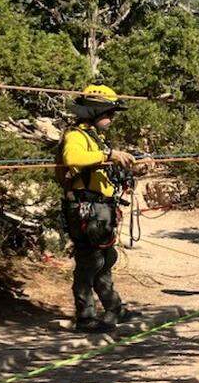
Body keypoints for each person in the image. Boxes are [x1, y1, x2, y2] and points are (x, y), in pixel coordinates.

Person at [58, 84, 140, 333]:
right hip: (85, 207)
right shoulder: (76, 136)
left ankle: (113, 307)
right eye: (109, 113)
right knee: (90, 261)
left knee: (106, 259)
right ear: (93, 112)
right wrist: (110, 154)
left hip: (100, 207)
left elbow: (104, 168)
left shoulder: (96, 139)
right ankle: (85, 317)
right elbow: (72, 158)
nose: (112, 118)